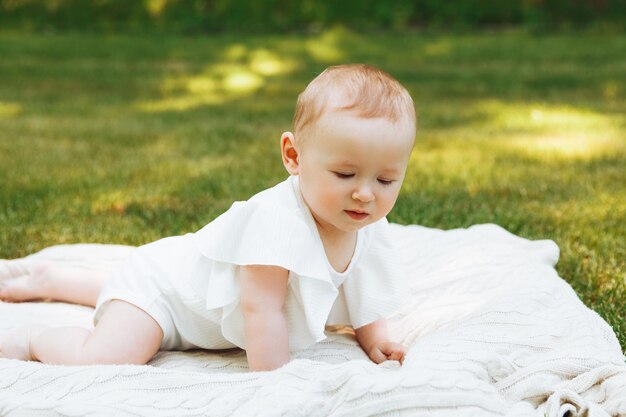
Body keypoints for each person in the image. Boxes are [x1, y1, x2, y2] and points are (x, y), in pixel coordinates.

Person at [0, 64, 417, 372]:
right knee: (110, 356)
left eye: (386, 179)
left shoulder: (363, 219)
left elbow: (364, 283)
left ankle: (53, 279)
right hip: (163, 294)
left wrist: (375, 337)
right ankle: (32, 338)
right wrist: (276, 381)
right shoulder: (276, 223)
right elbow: (260, 308)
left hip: (187, 294)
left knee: (141, 292)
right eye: (344, 174)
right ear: (293, 156)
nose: (365, 192)